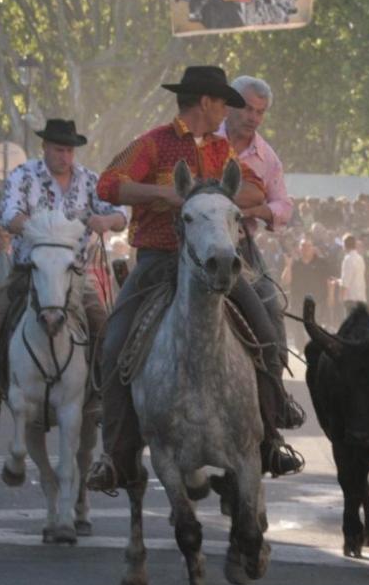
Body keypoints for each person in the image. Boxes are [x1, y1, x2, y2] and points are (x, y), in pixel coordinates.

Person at [87, 65, 304, 493]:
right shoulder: (154, 142)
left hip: (214, 260)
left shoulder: (222, 150)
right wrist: (163, 194)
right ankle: (116, 454)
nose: (227, 109)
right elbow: (109, 184)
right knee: (113, 342)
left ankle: (272, 431)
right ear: (206, 102)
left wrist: (208, 195)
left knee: (264, 324)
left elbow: (257, 192)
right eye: (224, 101)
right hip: (158, 259)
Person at [0, 119, 126, 453]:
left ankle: (101, 400)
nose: (63, 156)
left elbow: (121, 212)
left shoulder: (90, 180)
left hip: (74, 277)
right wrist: (45, 233)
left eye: (68, 150)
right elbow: (11, 216)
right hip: (29, 271)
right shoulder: (23, 176)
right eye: (57, 149)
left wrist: (106, 221)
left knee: (107, 330)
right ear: (45, 148)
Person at [218, 75, 293, 357]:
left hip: (241, 246)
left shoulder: (268, 158)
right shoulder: (205, 139)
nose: (253, 117)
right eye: (247, 108)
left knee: (270, 305)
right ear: (230, 105)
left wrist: (258, 210)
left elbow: (284, 207)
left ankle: (277, 385)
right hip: (192, 240)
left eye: (259, 112)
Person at [336, 233, 367, 315]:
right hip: (361, 297)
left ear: (344, 245)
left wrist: (341, 296)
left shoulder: (348, 259)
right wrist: (339, 281)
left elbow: (346, 281)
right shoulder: (360, 258)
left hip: (351, 298)